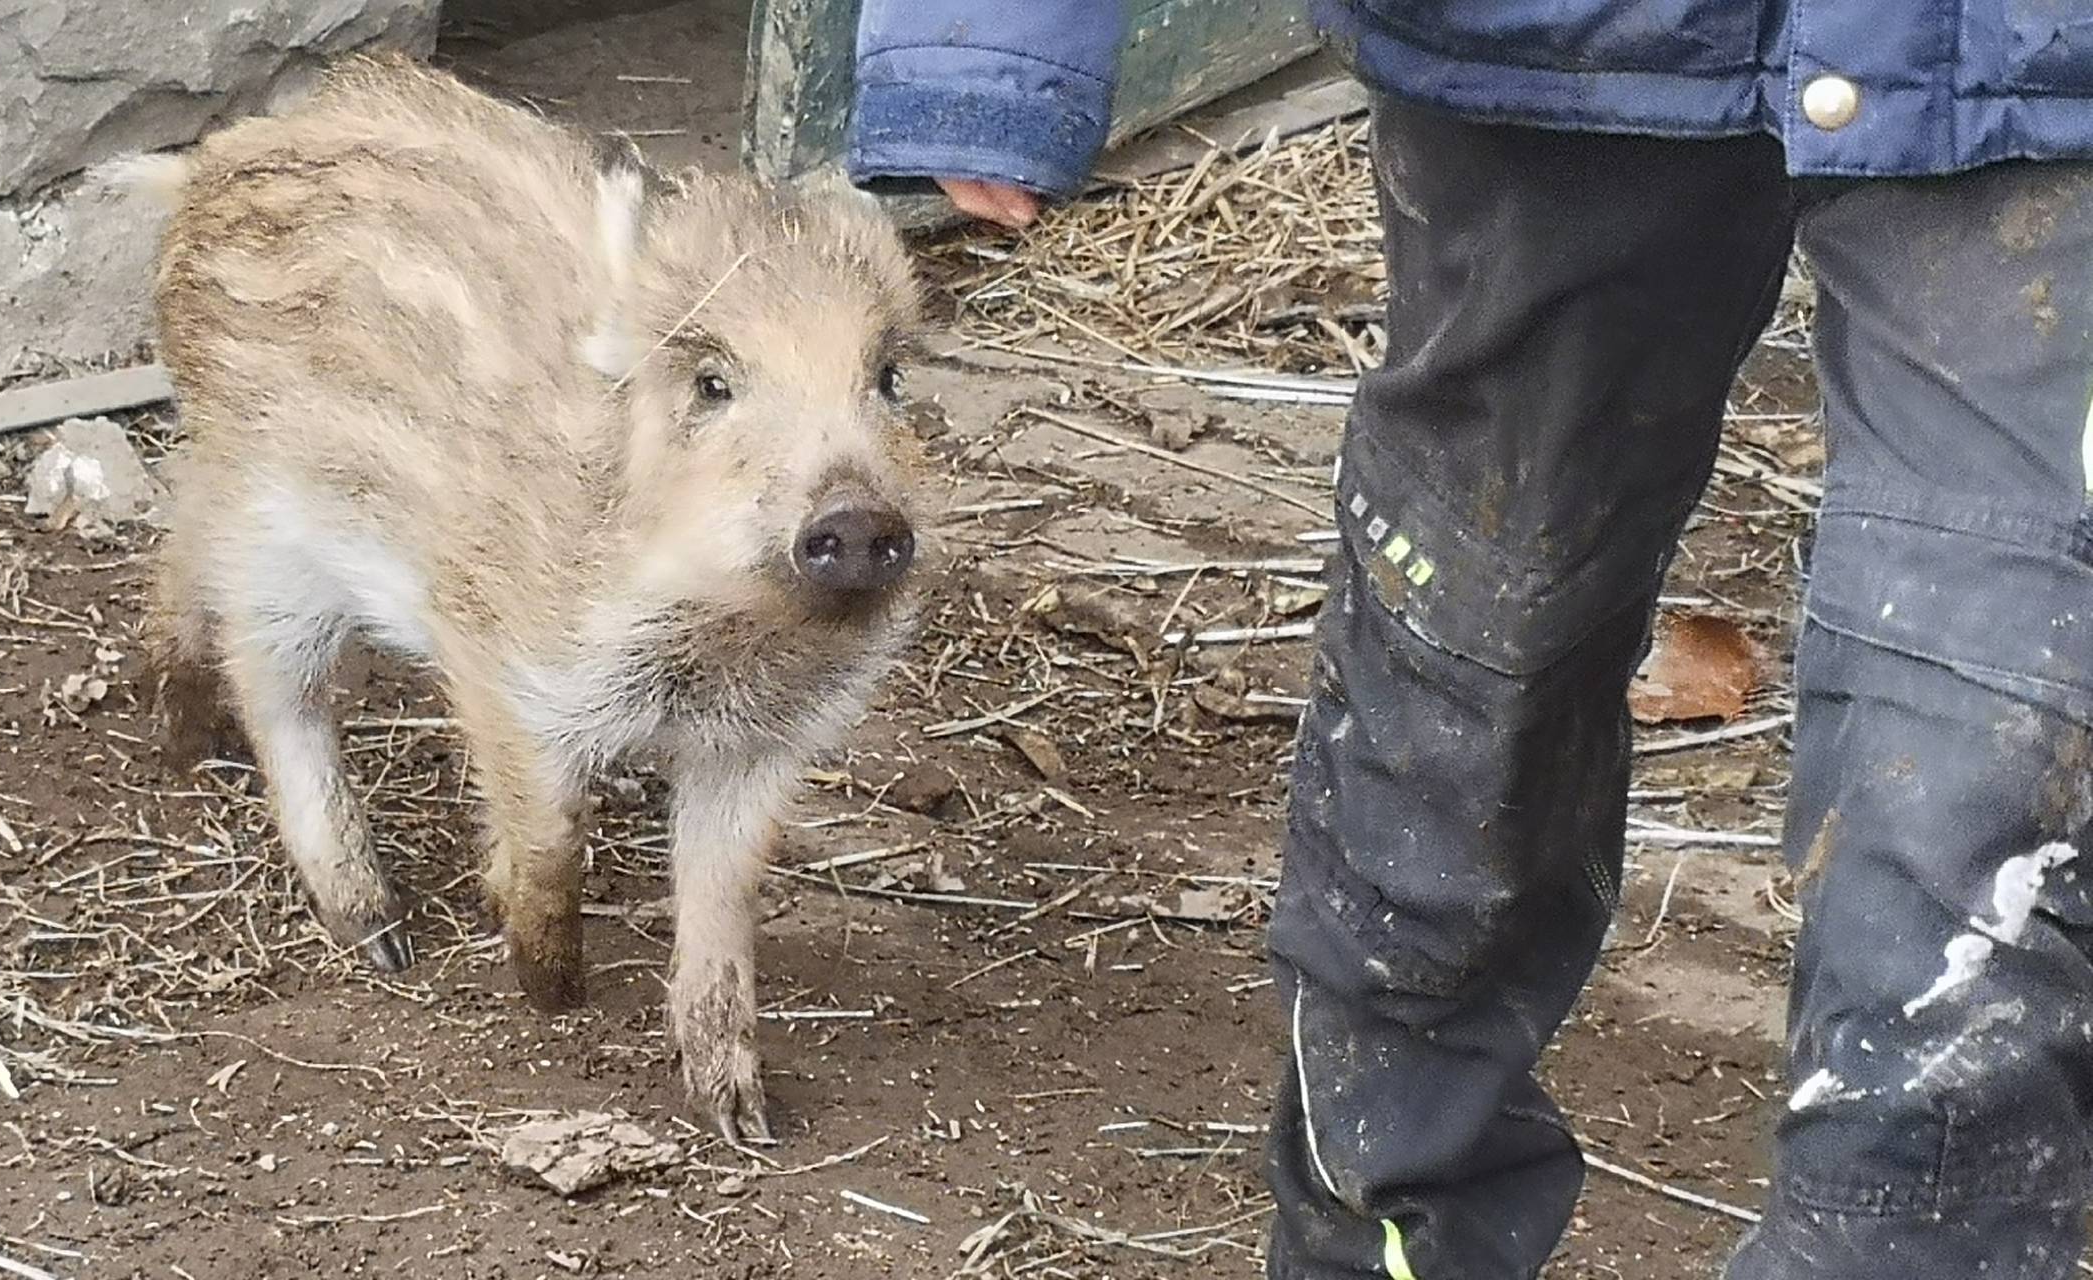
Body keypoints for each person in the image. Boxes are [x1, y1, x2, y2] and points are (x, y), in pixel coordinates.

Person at [849, 2, 2093, 1277]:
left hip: (2033, 62)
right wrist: (987, 49)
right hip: (1557, 41)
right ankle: (1380, 1238)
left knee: (1994, 717)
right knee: (1473, 639)